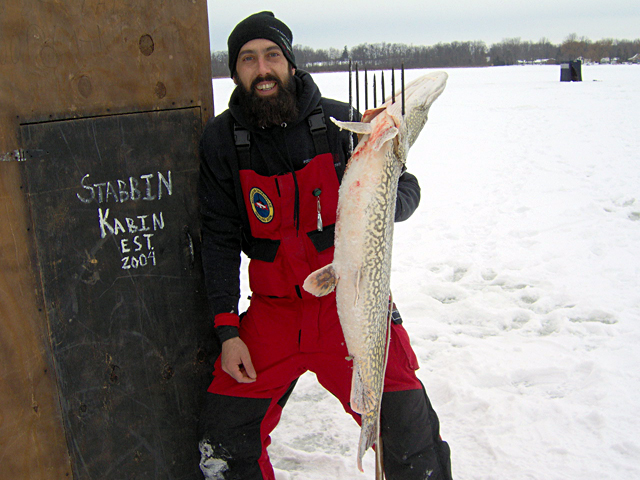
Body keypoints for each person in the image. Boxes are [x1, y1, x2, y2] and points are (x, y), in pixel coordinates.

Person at [197, 11, 452, 480]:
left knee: (412, 438)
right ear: (235, 71)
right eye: (248, 59)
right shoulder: (221, 141)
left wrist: (381, 205)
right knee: (223, 445)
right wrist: (228, 331)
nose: (263, 68)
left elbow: (406, 181)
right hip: (275, 314)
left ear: (290, 63)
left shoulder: (340, 122)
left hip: (352, 303)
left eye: (272, 55)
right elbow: (217, 239)